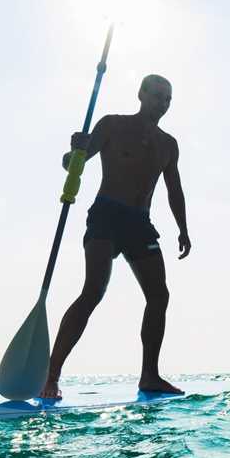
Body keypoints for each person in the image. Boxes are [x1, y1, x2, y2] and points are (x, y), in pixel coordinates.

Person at [39, 74, 191, 399]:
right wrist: (74, 151)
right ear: (141, 94)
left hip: (140, 223)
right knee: (93, 290)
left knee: (159, 295)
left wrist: (183, 228)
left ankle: (149, 375)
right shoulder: (111, 125)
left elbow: (174, 189)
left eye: (168, 98)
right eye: (157, 96)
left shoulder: (169, 144)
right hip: (107, 214)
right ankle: (50, 375)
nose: (162, 103)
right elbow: (74, 163)